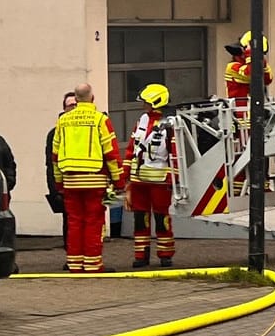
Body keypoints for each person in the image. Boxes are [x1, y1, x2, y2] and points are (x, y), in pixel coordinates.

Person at [51, 84, 124, 273]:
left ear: (75, 99)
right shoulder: (100, 120)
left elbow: (55, 156)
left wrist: (59, 183)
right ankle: (92, 264)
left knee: (74, 222)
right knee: (93, 222)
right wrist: (118, 181)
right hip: (95, 180)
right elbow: (111, 153)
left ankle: (75, 264)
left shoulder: (63, 121)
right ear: (92, 98)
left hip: (70, 181)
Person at [126, 84, 180, 268]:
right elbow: (131, 148)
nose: (143, 106)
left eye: (146, 103)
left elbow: (175, 153)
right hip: (138, 181)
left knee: (161, 218)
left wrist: (175, 179)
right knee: (140, 219)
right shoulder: (141, 120)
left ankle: (165, 255)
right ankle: (141, 256)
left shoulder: (170, 124)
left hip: (159, 181)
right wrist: (125, 175)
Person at [224, 32, 274, 137]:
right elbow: (252, 75)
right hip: (241, 118)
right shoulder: (232, 67)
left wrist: (259, 59)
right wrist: (251, 55)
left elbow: (268, 79)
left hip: (256, 116)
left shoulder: (256, 65)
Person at [44, 90, 77, 245]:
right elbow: (50, 164)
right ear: (64, 109)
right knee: (69, 221)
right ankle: (71, 255)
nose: (73, 108)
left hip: (88, 182)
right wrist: (54, 189)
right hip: (65, 185)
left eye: (76, 105)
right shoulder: (55, 133)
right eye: (70, 105)